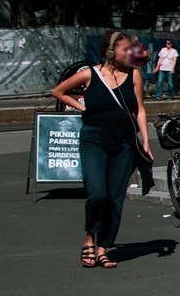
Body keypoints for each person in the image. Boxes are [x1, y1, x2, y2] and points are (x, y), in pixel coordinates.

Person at [52, 31, 151, 270]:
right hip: (94, 139)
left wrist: (145, 142)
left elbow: (139, 109)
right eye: (125, 49)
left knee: (115, 198)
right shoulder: (89, 74)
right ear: (109, 51)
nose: (131, 53)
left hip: (125, 141)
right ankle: (90, 236)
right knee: (98, 193)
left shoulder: (134, 75)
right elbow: (58, 92)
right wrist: (82, 108)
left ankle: (103, 247)